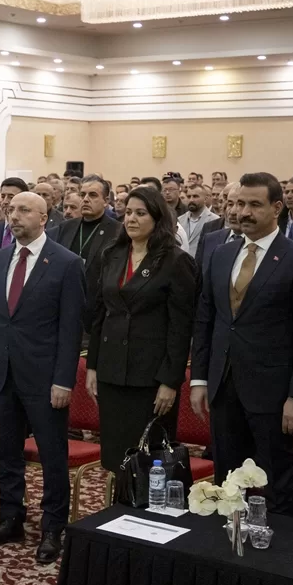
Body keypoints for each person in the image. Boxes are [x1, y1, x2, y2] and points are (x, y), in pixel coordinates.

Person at [189, 172, 293, 517]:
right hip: (223, 385)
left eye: (254, 205)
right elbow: (206, 320)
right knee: (226, 478)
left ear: (277, 208)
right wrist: (200, 379)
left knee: (274, 480)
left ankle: (277, 546)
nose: (243, 212)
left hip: (273, 392)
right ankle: (227, 540)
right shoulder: (221, 254)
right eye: (238, 204)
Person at [0, 191, 85, 564]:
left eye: (23, 210)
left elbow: (71, 329)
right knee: (7, 451)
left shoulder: (66, 263)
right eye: (11, 210)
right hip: (3, 372)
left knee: (52, 455)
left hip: (45, 377)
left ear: (43, 217)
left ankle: (53, 527)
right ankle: (11, 518)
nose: (14, 216)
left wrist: (64, 380)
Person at [86, 185, 197, 472]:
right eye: (128, 213)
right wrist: (93, 366)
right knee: (117, 459)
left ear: (157, 218)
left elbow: (180, 328)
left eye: (140, 213)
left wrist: (170, 381)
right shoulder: (112, 254)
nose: (131, 219)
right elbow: (100, 314)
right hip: (112, 371)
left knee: (148, 463)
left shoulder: (176, 261)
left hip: (150, 377)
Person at [56, 175, 122, 272]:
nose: (85, 199)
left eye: (92, 195)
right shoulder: (66, 227)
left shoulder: (117, 230)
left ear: (106, 201)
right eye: (82, 195)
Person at [175, 183, 219, 258]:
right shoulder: (180, 220)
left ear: (205, 199)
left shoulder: (215, 220)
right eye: (189, 196)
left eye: (195, 196)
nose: (191, 200)